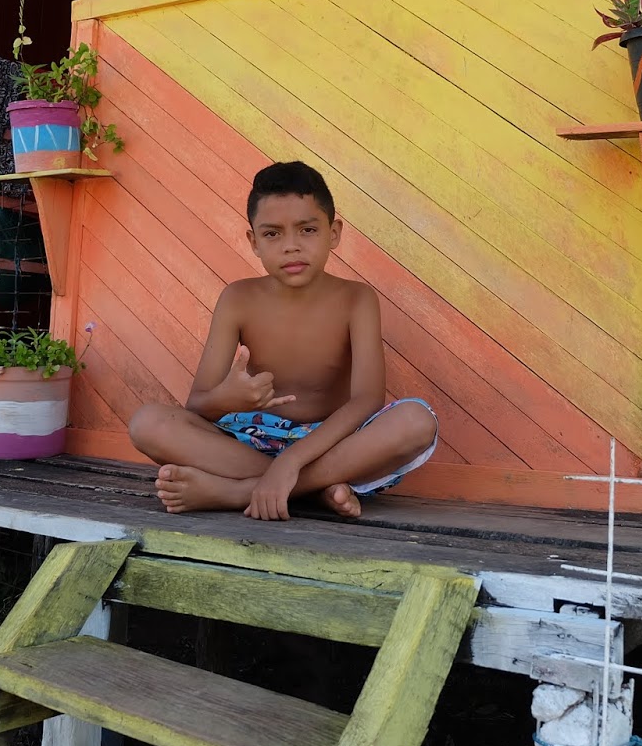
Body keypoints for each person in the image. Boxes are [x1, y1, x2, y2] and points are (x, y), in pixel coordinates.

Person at [127, 161, 438, 520]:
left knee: (416, 421)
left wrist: (291, 461)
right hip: (250, 439)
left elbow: (367, 400)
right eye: (273, 234)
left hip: (332, 443)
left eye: (307, 230)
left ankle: (237, 492)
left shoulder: (357, 299)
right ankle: (315, 491)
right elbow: (197, 406)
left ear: (333, 233)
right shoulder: (237, 298)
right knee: (147, 424)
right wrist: (228, 398)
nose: (291, 246)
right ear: (254, 242)